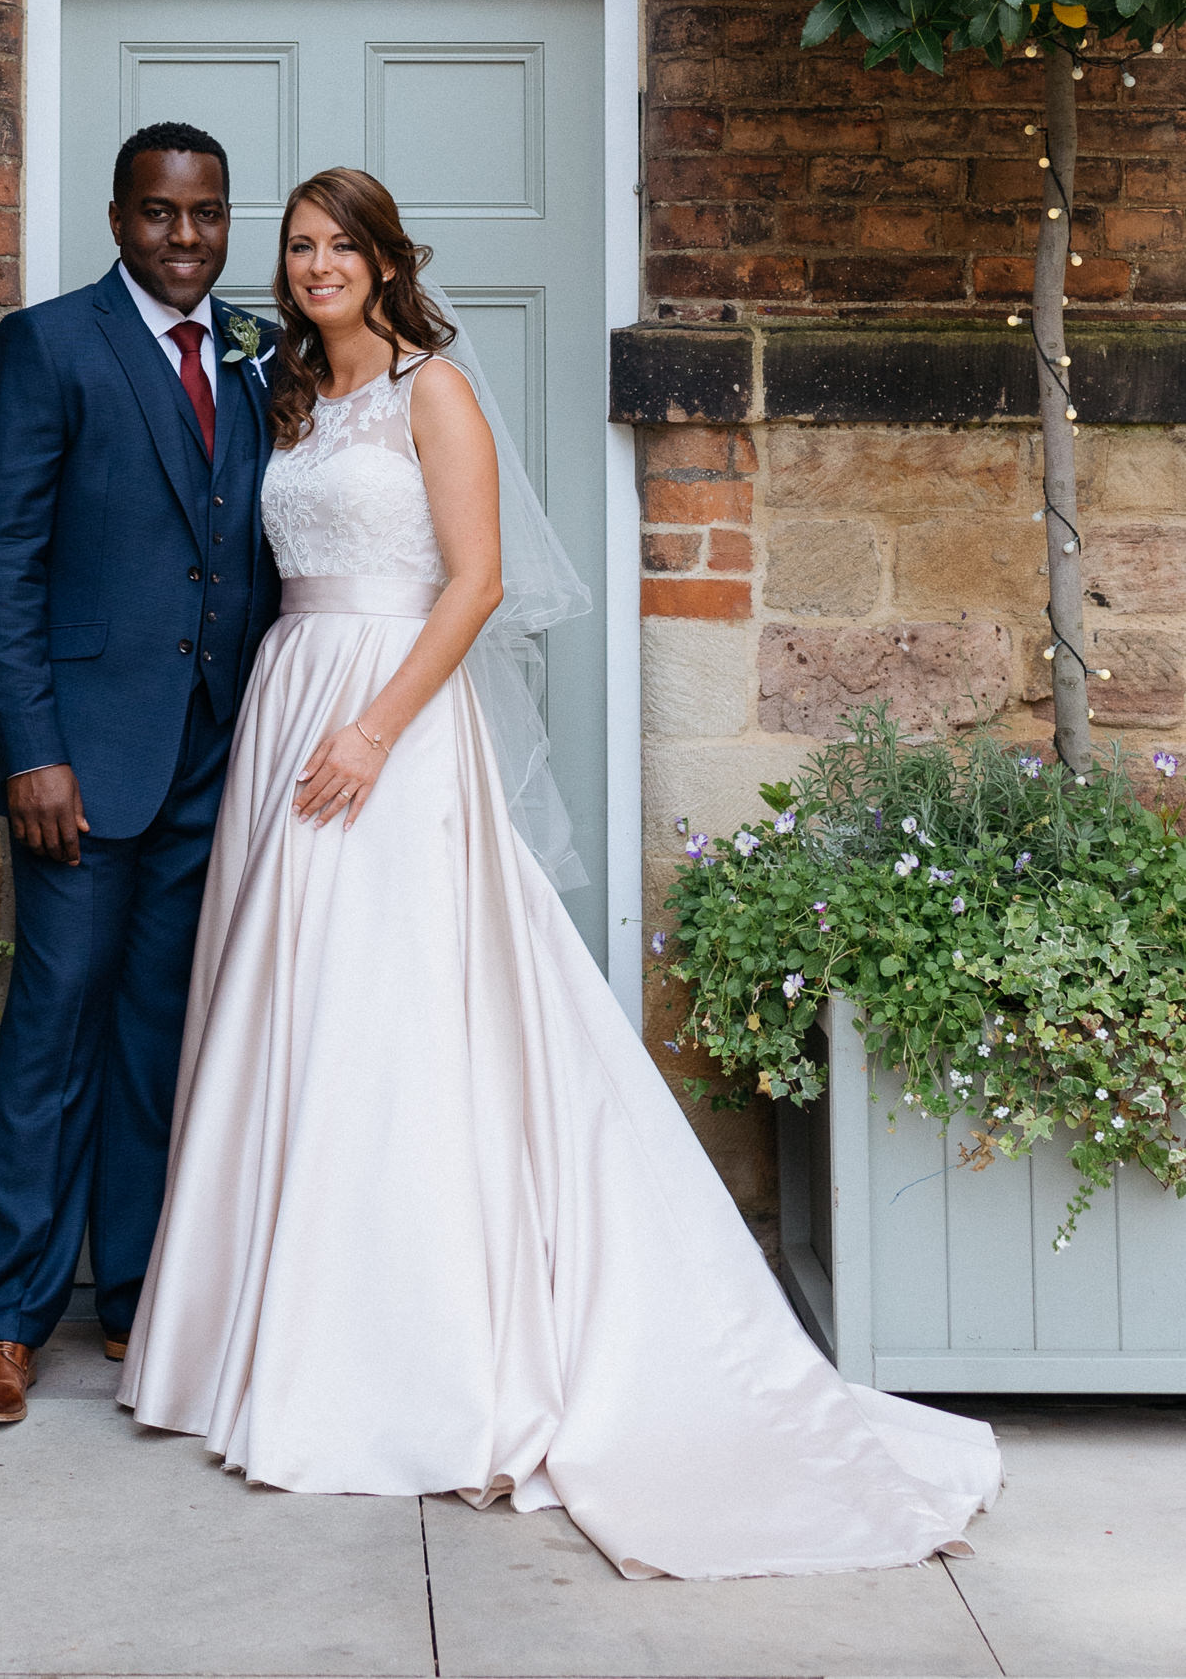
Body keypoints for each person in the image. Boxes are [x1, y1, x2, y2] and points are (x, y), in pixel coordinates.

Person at [119, 166, 1002, 1580]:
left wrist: (370, 728)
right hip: (292, 691)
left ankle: (419, 1364)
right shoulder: (287, 396)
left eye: (340, 245)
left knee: (392, 1017)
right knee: (287, 1010)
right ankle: (270, 1339)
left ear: (386, 260)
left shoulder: (431, 393)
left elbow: (472, 584)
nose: (314, 264)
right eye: (297, 246)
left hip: (385, 720)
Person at [0, 121, 280, 1427]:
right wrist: (32, 748)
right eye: (157, 214)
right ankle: (8, 1324)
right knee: (51, 1031)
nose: (182, 239)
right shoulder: (48, 345)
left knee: (160, 1039)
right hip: (80, 763)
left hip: (216, 751)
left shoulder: (256, 353)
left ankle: (137, 1298)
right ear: (115, 217)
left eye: (204, 216)